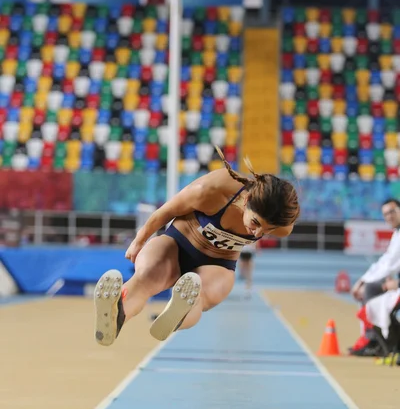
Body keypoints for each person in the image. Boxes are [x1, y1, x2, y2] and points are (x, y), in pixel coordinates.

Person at [93, 147, 300, 346]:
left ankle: (177, 314)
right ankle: (115, 316)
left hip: (219, 262)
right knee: (147, 277)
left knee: (200, 295)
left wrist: (266, 226)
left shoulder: (282, 227)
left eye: (267, 230)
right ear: (246, 201)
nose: (257, 234)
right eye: (255, 223)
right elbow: (165, 211)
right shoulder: (212, 190)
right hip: (177, 243)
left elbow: (274, 223)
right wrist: (139, 241)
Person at [350, 198, 400, 355]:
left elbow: (388, 265)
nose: (389, 217)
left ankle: (375, 341)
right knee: (370, 289)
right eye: (385, 214)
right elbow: (386, 261)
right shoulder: (396, 234)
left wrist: (397, 283)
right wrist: (363, 281)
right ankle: (373, 339)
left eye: (392, 212)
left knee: (370, 289)